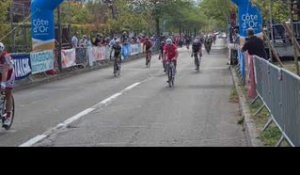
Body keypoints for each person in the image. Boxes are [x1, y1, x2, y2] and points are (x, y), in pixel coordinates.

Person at [0, 42, 15, 128]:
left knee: (8, 93)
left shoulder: (5, 57)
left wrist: (3, 83)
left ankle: (8, 116)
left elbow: (5, 71)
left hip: (9, 75)